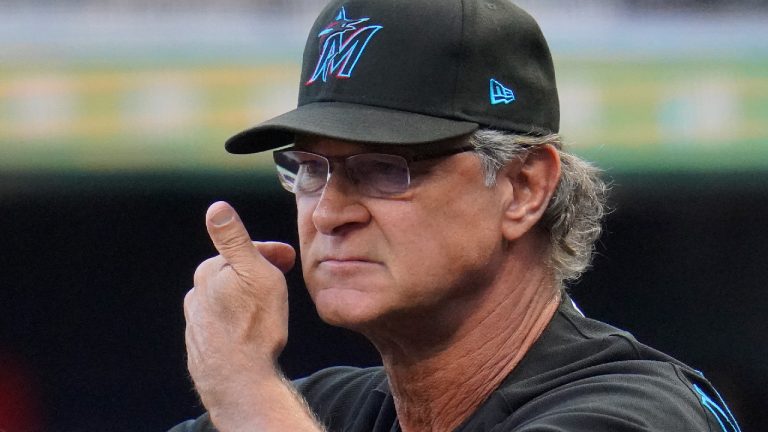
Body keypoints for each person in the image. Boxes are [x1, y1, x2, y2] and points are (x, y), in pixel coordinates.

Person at [171, 0, 742, 431]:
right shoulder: (329, 410)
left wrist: (242, 384)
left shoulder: (635, 413)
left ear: (523, 188)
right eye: (309, 168)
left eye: (385, 168)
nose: (329, 213)